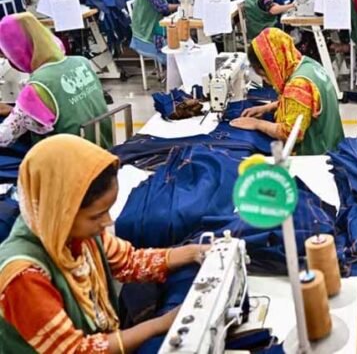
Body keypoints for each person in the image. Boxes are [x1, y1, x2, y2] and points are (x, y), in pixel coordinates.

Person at [0, 135, 209, 352]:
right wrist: (161, 324)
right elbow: (78, 350)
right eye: (96, 215)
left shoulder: (74, 235)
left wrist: (195, 252)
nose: (107, 222)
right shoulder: (24, 276)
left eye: (108, 210)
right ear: (61, 211)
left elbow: (130, 262)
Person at [0, 13, 111, 148]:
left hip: (70, 157)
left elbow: (4, 137)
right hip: (102, 148)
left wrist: (20, 110)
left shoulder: (38, 87)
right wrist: (17, 110)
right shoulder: (82, 62)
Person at [230, 28, 344, 155]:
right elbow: (305, 106)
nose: (267, 81)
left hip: (318, 155)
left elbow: (289, 133)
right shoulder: (307, 64)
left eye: (264, 75)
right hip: (333, 143)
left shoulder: (298, 85)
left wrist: (256, 124)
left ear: (272, 65)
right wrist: (267, 108)